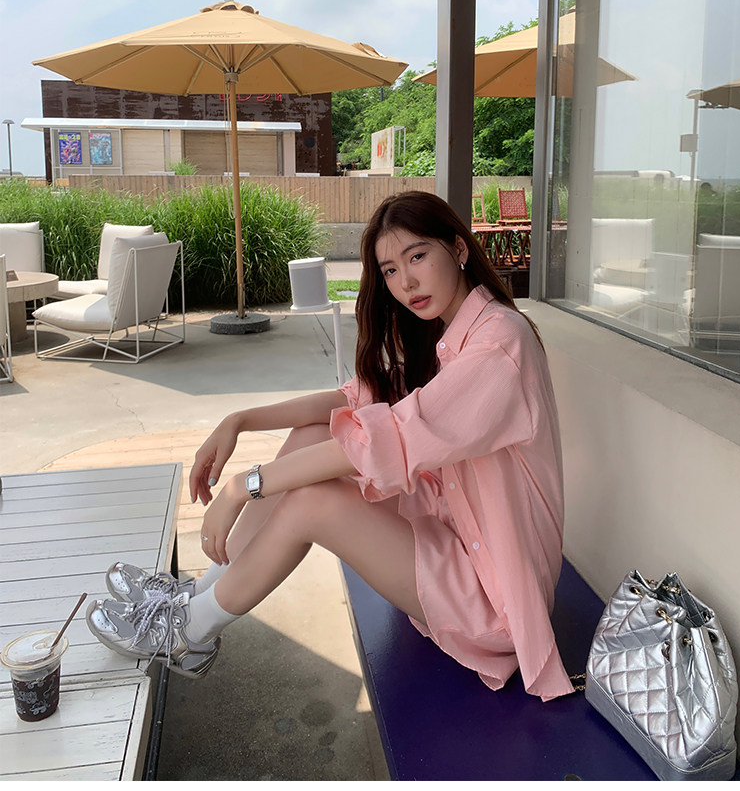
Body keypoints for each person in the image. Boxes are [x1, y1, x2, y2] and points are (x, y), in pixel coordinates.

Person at [87, 191, 574, 700]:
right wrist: (240, 420)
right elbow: (356, 398)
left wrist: (241, 487)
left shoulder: (499, 344)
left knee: (312, 500)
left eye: (417, 256)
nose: (405, 283)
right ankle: (200, 594)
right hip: (452, 533)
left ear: (458, 248)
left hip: (493, 598)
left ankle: (190, 633)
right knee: (315, 434)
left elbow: (386, 441)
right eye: (390, 270)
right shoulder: (452, 333)